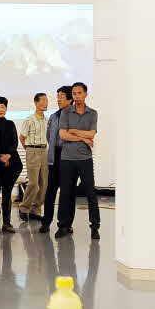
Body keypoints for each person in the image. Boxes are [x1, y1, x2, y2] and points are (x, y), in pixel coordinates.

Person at [56, 82, 100, 240]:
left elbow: (92, 134)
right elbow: (63, 135)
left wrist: (74, 130)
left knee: (91, 194)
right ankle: (63, 226)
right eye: (74, 93)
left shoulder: (92, 113)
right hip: (67, 159)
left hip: (85, 159)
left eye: (79, 93)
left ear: (86, 94)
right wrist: (83, 137)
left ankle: (95, 227)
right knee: (65, 194)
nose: (77, 96)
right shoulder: (66, 112)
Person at [37, 86, 71, 234]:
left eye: (62, 96)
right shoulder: (53, 116)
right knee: (50, 191)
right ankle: (46, 222)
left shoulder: (74, 115)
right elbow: (48, 135)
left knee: (67, 193)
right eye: (58, 96)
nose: (58, 99)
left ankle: (65, 224)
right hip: (54, 157)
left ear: (70, 99)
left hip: (69, 157)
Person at [0, 96, 23, 234]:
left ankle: (7, 223)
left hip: (11, 162)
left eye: (3, 107)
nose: (0, 109)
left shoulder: (10, 123)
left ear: (6, 108)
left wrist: (8, 155)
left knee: (7, 192)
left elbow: (14, 142)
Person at [17, 92, 49, 223]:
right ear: (36, 103)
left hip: (44, 151)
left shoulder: (47, 120)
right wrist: (29, 150)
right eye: (43, 100)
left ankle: (35, 210)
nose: (46, 103)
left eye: (47, 101)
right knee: (33, 183)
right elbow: (22, 137)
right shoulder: (29, 120)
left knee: (44, 183)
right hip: (32, 150)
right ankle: (24, 208)